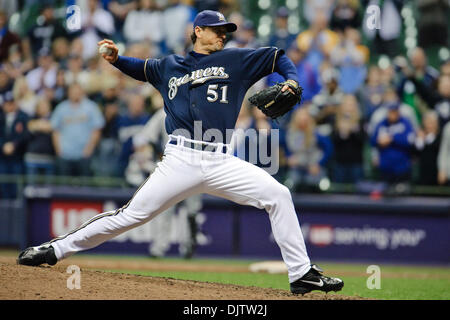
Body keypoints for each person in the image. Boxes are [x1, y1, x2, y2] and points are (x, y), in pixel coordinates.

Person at [17, 10, 344, 296]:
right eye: (217, 30)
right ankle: (55, 249)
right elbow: (141, 68)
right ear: (198, 31)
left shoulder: (235, 60)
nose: (222, 36)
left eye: (225, 31)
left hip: (220, 160)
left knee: (278, 194)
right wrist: (117, 60)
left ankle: (301, 275)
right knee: (129, 216)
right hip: (179, 160)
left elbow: (277, 56)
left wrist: (291, 80)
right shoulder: (170, 65)